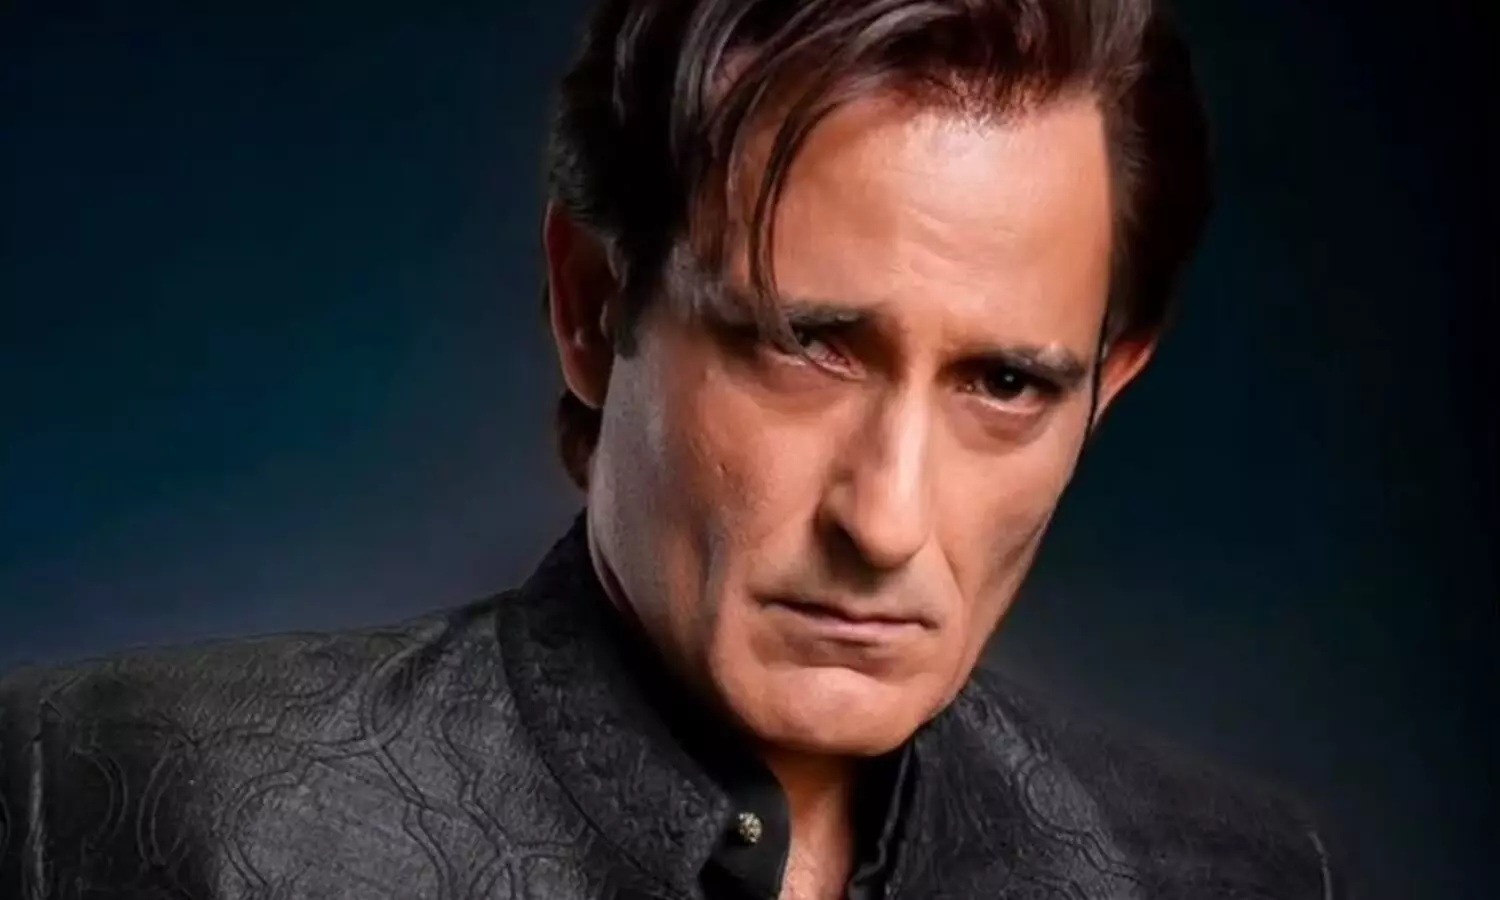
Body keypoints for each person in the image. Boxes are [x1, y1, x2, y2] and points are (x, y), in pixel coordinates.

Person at [0, 0, 1343, 897]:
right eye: (806, 345)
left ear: (1107, 386)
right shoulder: (133, 804)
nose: (886, 521)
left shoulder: (1225, 875)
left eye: (1004, 383)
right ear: (593, 306)